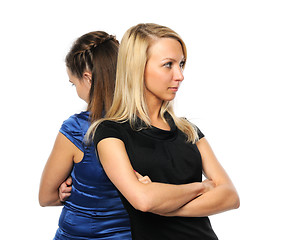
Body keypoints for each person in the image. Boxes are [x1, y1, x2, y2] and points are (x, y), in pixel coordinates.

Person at [89, 23, 240, 240]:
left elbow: (230, 197)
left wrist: (165, 206)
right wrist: (201, 187)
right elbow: (144, 200)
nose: (180, 75)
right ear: (137, 68)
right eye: (168, 65)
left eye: (181, 64)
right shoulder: (110, 133)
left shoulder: (188, 130)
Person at [38, 31, 133, 239]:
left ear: (88, 79)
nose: (76, 89)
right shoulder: (143, 123)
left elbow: (45, 197)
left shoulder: (77, 129)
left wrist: (65, 191)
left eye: (74, 83)